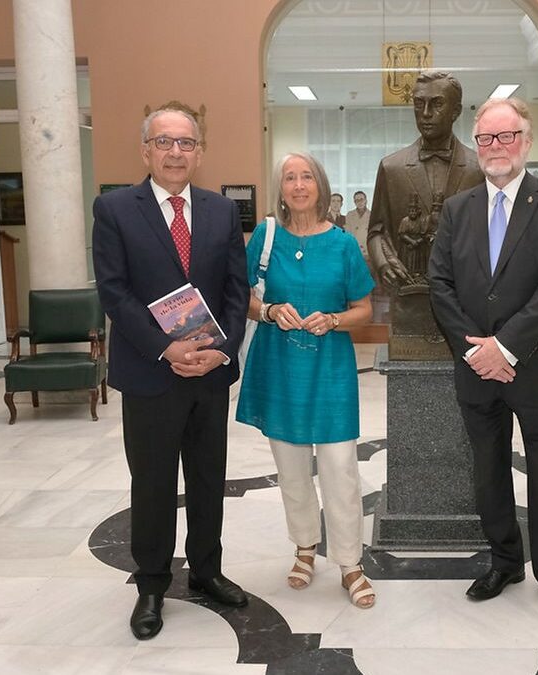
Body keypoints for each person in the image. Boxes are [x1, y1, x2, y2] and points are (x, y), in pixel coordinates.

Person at [92, 108, 250, 640]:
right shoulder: (115, 209)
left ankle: (206, 570)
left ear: (199, 152)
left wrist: (222, 350)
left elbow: (235, 290)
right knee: (153, 482)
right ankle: (152, 584)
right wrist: (166, 347)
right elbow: (114, 291)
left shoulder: (221, 211)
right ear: (146, 150)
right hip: (150, 373)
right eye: (164, 142)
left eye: (186, 143)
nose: (175, 152)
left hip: (209, 372)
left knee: (207, 478)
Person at [428, 97, 538, 622]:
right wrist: (478, 352)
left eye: (506, 135)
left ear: (527, 141)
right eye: (486, 138)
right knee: (488, 471)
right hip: (477, 369)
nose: (496, 146)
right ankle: (504, 561)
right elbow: (440, 284)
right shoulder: (458, 209)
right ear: (476, 146)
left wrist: (506, 346)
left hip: (536, 366)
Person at [236, 152, 376, 609]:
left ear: (321, 185)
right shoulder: (265, 237)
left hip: (331, 369)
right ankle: (304, 548)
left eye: (307, 177)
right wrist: (269, 311)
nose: (298, 185)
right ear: (281, 189)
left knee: (340, 469)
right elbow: (240, 296)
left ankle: (350, 563)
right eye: (290, 178)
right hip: (279, 367)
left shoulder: (342, 244)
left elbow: (363, 309)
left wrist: (334, 320)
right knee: (292, 470)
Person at [368, 71, 483, 288]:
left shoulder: (479, 169)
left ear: (456, 111)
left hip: (464, 292)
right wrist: (384, 264)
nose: (426, 113)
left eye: (437, 104)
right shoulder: (391, 167)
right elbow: (377, 231)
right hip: (408, 289)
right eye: (419, 104)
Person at [344, 190, 371, 257]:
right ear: (354, 202)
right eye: (357, 200)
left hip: (367, 250)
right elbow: (348, 233)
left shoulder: (371, 215)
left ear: (366, 201)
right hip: (353, 249)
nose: (359, 202)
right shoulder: (350, 215)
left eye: (361, 199)